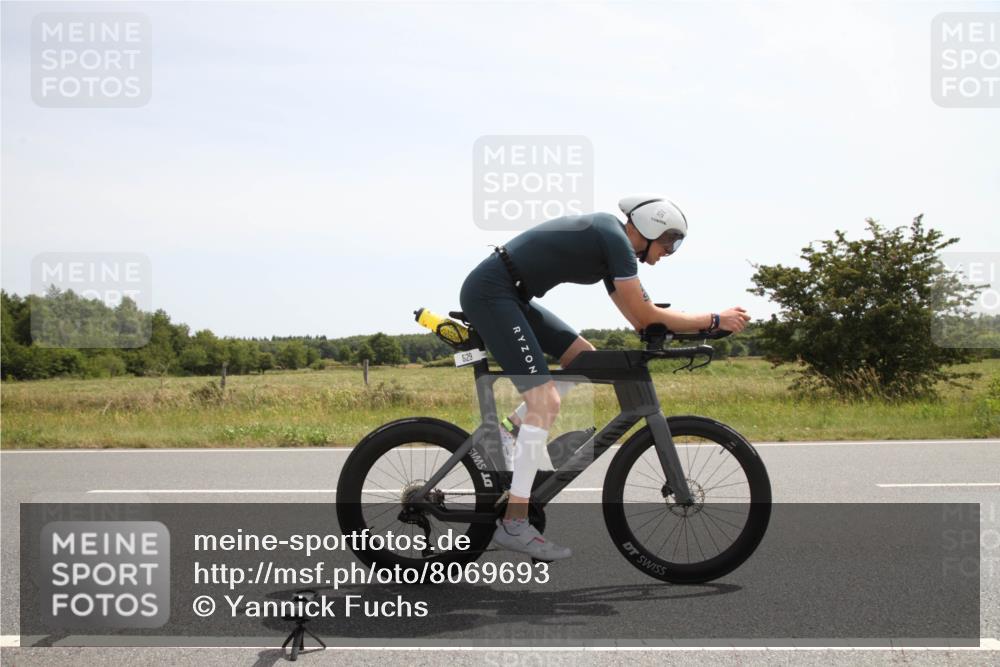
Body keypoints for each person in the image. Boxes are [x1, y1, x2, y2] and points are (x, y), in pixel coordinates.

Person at [458, 195, 750, 561]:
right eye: (669, 242)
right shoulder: (615, 239)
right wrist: (713, 319)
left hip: (510, 295)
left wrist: (698, 329)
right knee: (544, 402)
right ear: (651, 227)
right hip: (492, 293)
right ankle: (513, 523)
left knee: (585, 360)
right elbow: (646, 314)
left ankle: (506, 432)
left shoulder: (614, 248)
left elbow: (641, 319)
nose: (668, 252)